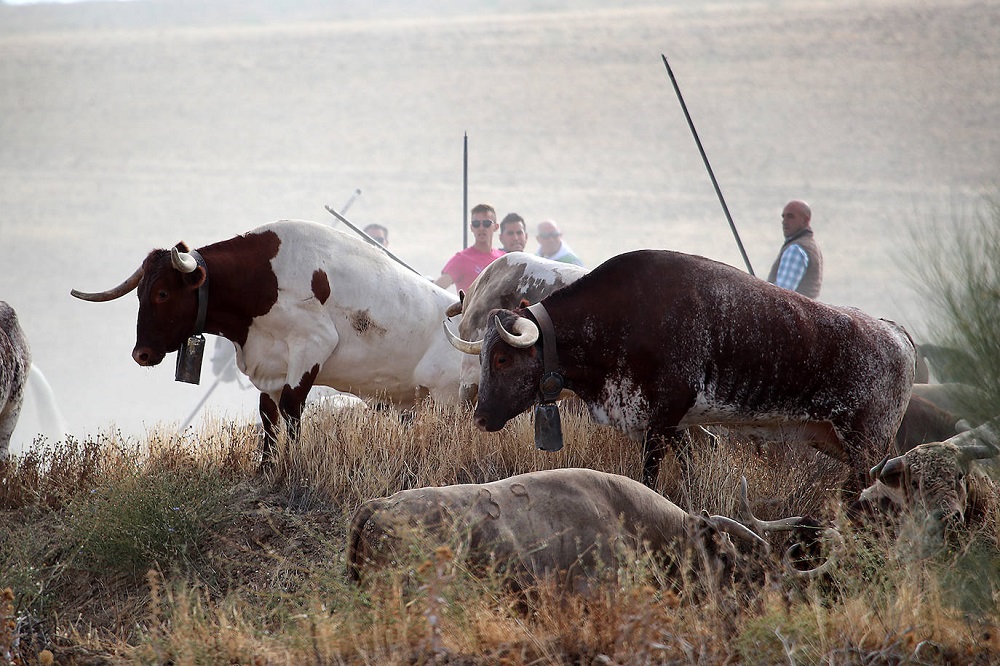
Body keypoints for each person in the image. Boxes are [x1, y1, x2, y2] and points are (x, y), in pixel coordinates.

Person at [434, 204, 505, 292]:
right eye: (476, 224)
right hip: (469, 306)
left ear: (496, 227)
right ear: (471, 228)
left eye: (486, 223)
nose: (481, 228)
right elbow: (435, 290)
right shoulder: (461, 259)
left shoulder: (504, 259)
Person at [766, 199, 823, 298]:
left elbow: (781, 295)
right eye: (783, 217)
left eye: (790, 217)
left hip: (791, 313)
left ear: (805, 220)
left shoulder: (796, 249)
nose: (784, 222)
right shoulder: (810, 246)